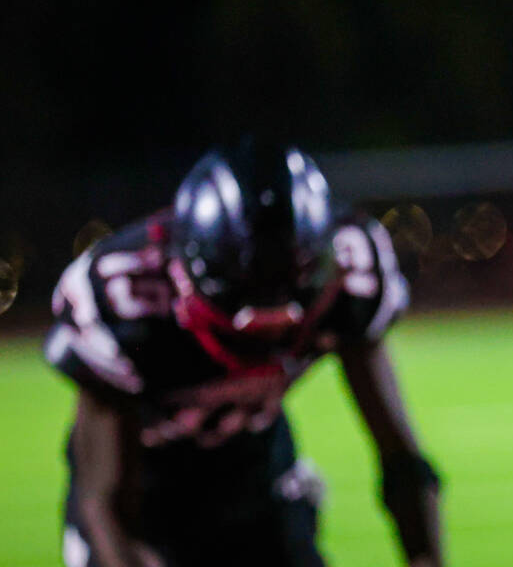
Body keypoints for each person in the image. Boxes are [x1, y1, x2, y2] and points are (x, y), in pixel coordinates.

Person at [45, 141, 442, 567]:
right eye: (247, 299)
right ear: (185, 270)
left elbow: (400, 457)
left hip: (257, 480)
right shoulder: (125, 298)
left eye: (287, 296)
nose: (269, 326)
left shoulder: (351, 274)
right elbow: (106, 506)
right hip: (147, 498)